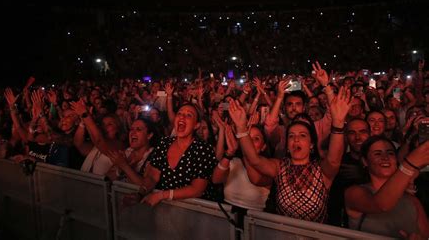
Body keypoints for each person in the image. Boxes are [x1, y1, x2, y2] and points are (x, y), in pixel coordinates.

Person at [228, 85, 351, 223]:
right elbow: (254, 160)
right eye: (291, 136)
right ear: (287, 144)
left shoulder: (322, 170)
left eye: (302, 135)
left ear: (311, 144)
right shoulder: (279, 167)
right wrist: (241, 129)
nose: (296, 139)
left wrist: (339, 122)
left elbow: (334, 160)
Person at [345, 136, 429, 238]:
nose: (385, 157)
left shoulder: (411, 199)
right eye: (377, 153)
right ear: (365, 161)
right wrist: (410, 164)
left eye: (390, 153)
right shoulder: (354, 192)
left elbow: (425, 234)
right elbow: (380, 204)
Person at [139, 104, 216, 206]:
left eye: (189, 115)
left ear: (196, 125)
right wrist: (141, 193)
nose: (182, 117)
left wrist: (161, 195)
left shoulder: (203, 149)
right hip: (165, 210)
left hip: (194, 213)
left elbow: (197, 189)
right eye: (179, 113)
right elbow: (153, 176)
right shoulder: (164, 143)